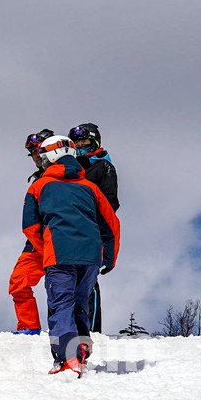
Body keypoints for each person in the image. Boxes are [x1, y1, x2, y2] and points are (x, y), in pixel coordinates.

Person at [22, 134, 120, 376]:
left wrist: (47, 249)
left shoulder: (39, 186)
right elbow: (110, 224)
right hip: (90, 256)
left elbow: (30, 226)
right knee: (79, 304)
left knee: (61, 306)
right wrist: (109, 257)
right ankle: (82, 346)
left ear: (51, 157)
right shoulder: (90, 187)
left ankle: (68, 359)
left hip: (59, 254)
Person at [68, 123, 120, 334]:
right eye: (77, 142)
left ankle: (91, 329)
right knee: (68, 279)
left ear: (95, 141)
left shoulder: (102, 167)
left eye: (84, 141)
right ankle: (69, 327)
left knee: (88, 281)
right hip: (70, 229)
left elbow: (111, 202)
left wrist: (96, 225)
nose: (80, 145)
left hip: (92, 229)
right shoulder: (72, 168)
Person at [7, 130, 55, 334]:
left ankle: (73, 329)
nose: (36, 155)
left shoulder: (71, 172)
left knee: (64, 289)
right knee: (18, 281)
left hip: (60, 239)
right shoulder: (37, 178)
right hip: (36, 241)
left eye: (38, 149)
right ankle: (29, 327)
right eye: (32, 152)